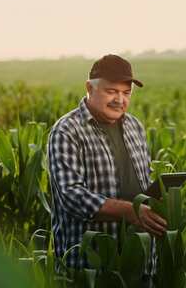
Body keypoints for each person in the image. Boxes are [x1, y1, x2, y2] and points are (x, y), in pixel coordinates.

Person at [46, 54, 167, 284]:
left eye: (126, 93)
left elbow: (140, 183)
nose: (119, 100)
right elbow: (71, 195)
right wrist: (130, 211)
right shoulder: (66, 131)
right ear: (89, 88)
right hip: (91, 268)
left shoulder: (134, 126)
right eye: (111, 91)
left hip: (140, 265)